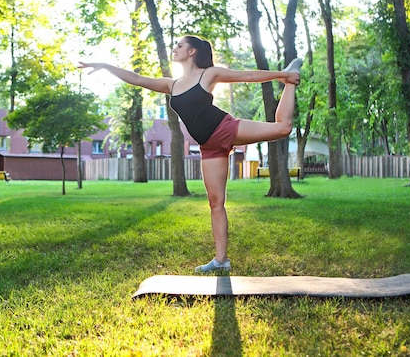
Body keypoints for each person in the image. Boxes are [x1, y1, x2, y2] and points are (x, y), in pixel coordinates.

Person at [78, 35, 302, 273]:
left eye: (180, 45)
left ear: (192, 51)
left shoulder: (209, 75)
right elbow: (137, 79)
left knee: (283, 128)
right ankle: (221, 260)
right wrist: (104, 66)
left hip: (225, 128)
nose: (174, 49)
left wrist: (282, 75)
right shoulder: (172, 85)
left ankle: (291, 79)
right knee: (216, 203)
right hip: (208, 147)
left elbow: (246, 75)